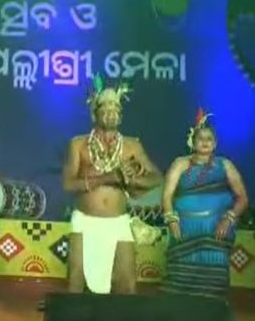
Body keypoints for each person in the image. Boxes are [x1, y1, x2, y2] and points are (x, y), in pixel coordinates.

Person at [62, 75, 163, 294]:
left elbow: (157, 178)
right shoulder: (78, 144)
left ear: (121, 115)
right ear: (94, 113)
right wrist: (109, 177)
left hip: (118, 222)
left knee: (126, 286)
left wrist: (131, 180)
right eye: (105, 108)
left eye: (116, 108)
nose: (111, 112)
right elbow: (68, 184)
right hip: (84, 221)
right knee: (76, 284)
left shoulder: (132, 145)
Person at [160, 109, 248, 298]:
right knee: (180, 281)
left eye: (210, 139)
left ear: (215, 143)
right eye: (201, 138)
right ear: (192, 142)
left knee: (213, 285)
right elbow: (166, 196)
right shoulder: (180, 164)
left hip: (215, 231)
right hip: (185, 231)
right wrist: (171, 219)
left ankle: (212, 310)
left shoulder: (225, 164)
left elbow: (242, 198)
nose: (205, 142)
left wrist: (229, 219)